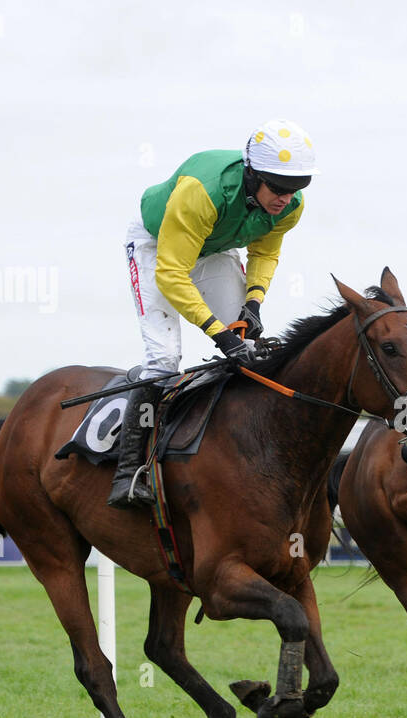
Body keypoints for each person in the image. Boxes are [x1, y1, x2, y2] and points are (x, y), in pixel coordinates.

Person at [110, 117, 319, 509]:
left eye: (297, 188)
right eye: (278, 187)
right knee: (164, 359)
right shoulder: (201, 193)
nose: (286, 198)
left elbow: (265, 252)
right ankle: (129, 471)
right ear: (252, 173)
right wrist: (217, 334)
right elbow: (172, 275)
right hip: (157, 246)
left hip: (215, 249)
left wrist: (253, 303)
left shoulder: (290, 205)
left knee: (247, 348)